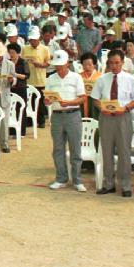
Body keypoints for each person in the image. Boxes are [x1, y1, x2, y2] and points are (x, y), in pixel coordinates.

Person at [91, 49, 134, 197]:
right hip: (106, 118)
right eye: (111, 63)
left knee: (124, 151)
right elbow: (95, 98)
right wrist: (101, 108)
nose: (114, 65)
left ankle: (125, 185)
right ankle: (108, 184)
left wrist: (125, 108)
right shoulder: (102, 79)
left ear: (122, 63)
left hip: (123, 118)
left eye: (117, 62)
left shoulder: (130, 79)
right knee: (106, 151)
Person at [43, 50, 87, 191]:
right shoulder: (50, 79)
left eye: (61, 65)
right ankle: (61, 178)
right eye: (57, 66)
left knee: (75, 148)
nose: (59, 68)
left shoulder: (76, 77)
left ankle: (77, 180)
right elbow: (46, 100)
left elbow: (83, 98)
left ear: (68, 63)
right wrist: (48, 100)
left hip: (73, 114)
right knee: (58, 149)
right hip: (56, 115)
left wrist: (69, 102)